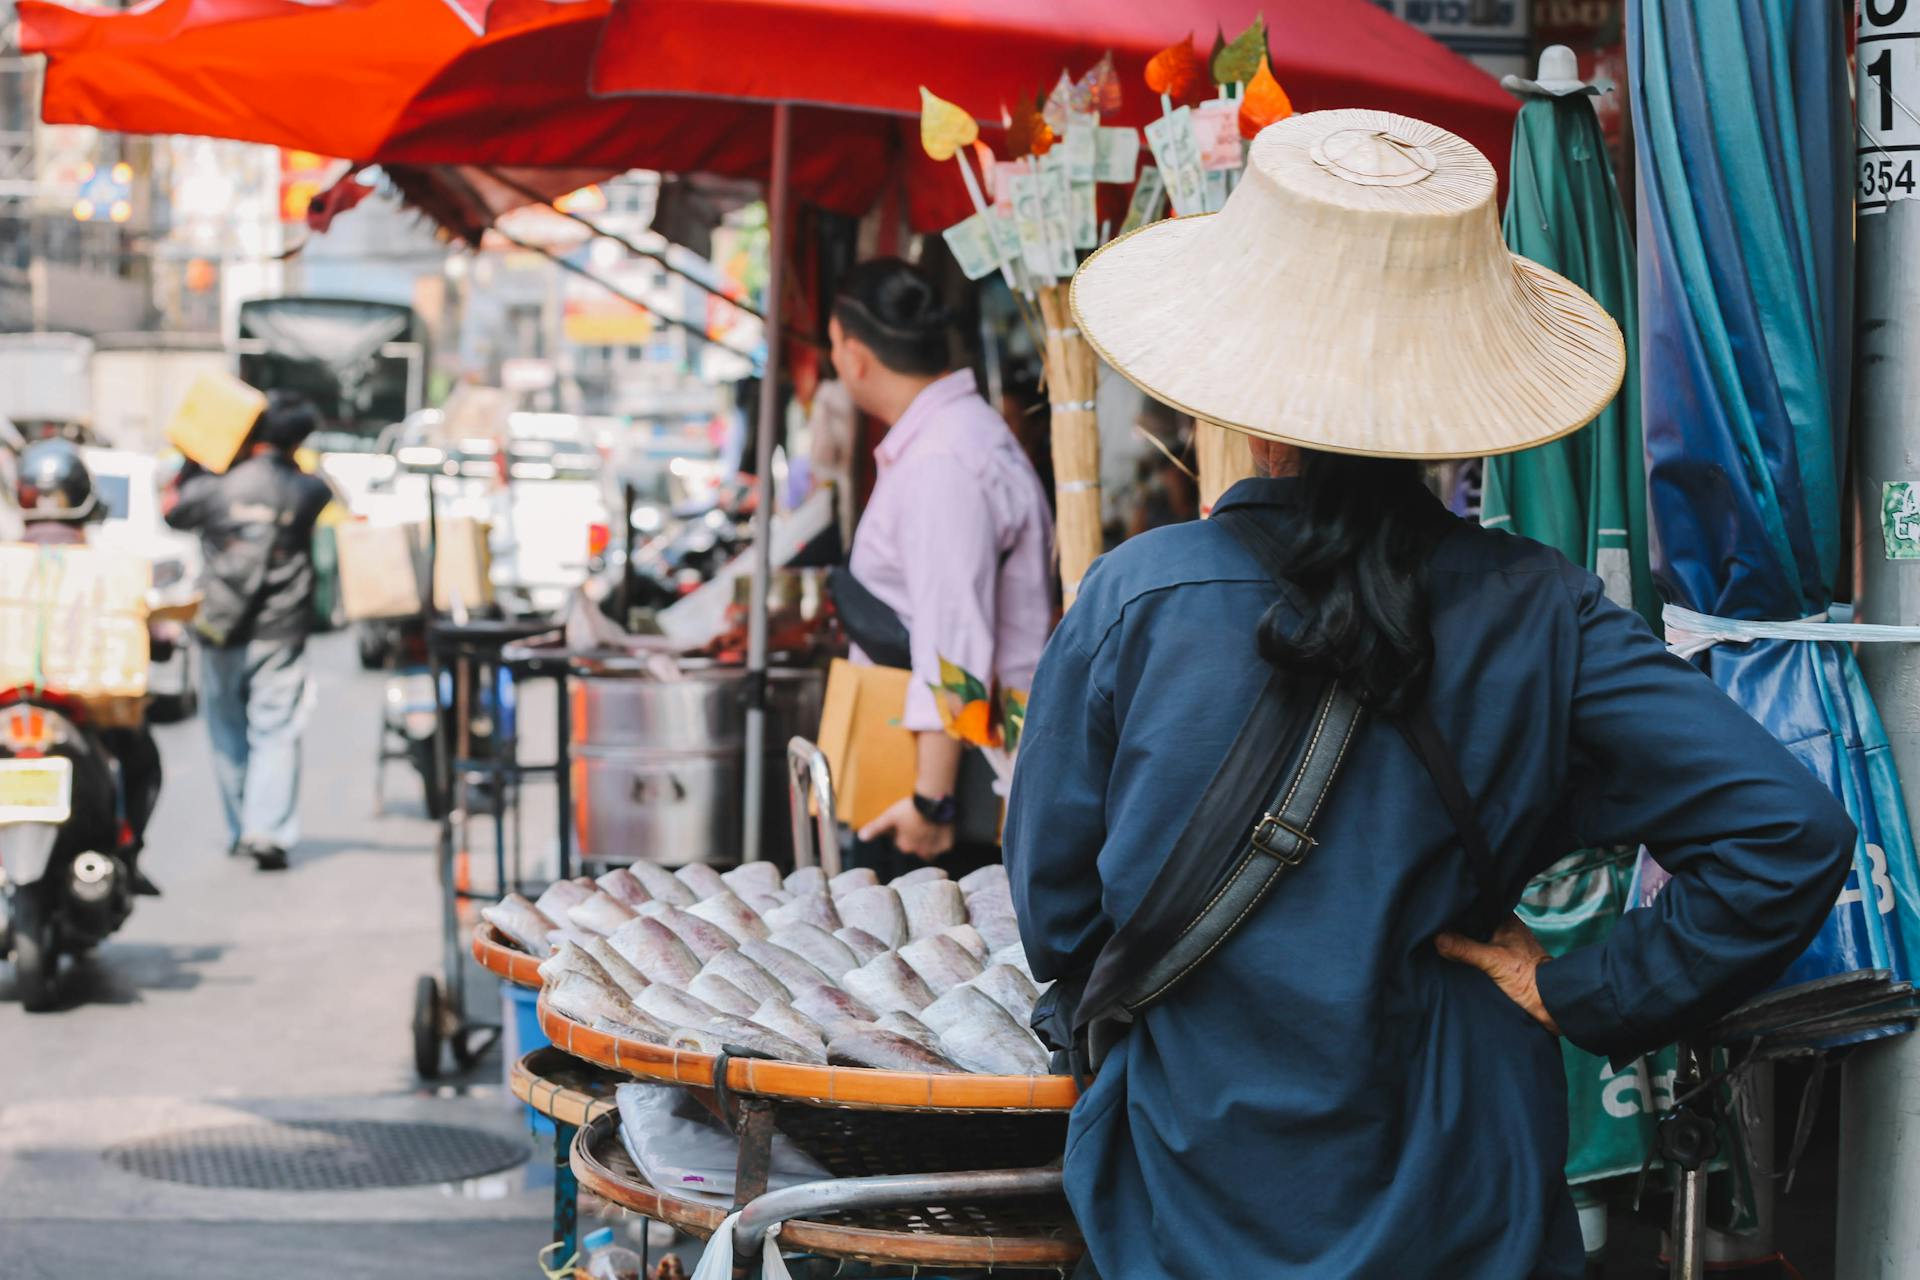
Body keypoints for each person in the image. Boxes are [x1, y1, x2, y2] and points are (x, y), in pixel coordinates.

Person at [1004, 110, 1855, 1279]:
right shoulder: (1540, 610)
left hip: (1192, 1192)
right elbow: (1788, 832)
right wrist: (1586, 983)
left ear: (1245, 397)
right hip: (1464, 1195)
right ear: (1451, 416)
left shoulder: (1135, 598)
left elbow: (1058, 920)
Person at [827, 258, 1054, 873]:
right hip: (964, 764)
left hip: (961, 783)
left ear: (854, 354)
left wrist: (932, 805)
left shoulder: (943, 461)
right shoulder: (956, 437)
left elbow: (954, 639)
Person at [164, 391, 332, 871]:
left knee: (227, 729)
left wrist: (203, 456)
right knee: (275, 729)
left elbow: (173, 511)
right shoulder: (306, 490)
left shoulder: (215, 487)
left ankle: (241, 829)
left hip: (220, 625)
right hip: (281, 629)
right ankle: (269, 831)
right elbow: (325, 489)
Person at [15, 438, 163, 895]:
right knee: (142, 759)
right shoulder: (107, 567)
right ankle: (128, 850)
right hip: (80, 709)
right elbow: (137, 626)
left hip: (13, 708)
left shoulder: (7, 562)